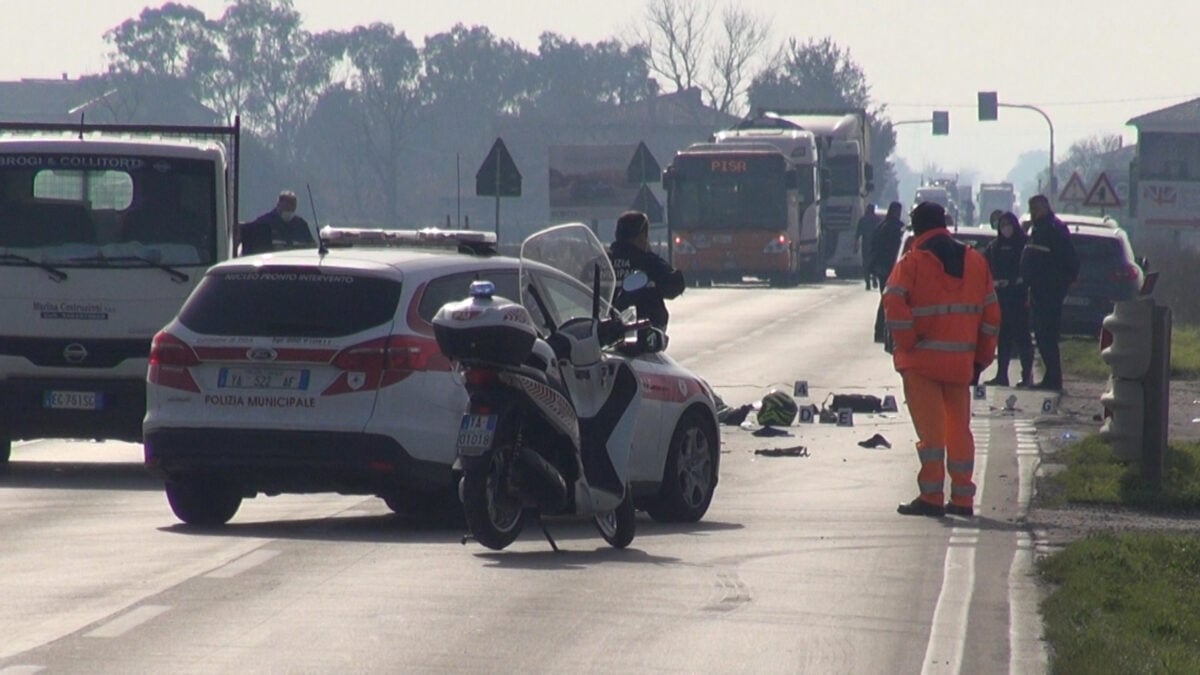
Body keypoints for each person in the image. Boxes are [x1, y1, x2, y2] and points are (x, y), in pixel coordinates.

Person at [883, 201, 1000, 518]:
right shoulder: (976, 262)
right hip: (961, 366)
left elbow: (892, 300)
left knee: (932, 435)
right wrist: (980, 360)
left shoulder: (913, 262)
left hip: (922, 365)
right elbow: (992, 316)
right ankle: (962, 498)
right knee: (958, 431)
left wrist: (907, 343)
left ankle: (932, 497)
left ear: (917, 226)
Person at [1019, 194, 1079, 391]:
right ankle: (1050, 377)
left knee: (1047, 335)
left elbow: (1069, 260)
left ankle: (1054, 379)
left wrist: (1057, 284)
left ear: (1044, 207)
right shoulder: (1039, 228)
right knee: (1042, 334)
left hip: (1049, 291)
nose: (1034, 213)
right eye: (1032, 209)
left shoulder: (1054, 229)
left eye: (1036, 208)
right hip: (1038, 289)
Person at [608, 210, 685, 330]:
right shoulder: (649, 262)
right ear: (641, 236)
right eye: (645, 235)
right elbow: (674, 286)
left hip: (604, 332)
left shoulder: (600, 262)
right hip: (646, 332)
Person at [983, 211, 1034, 387]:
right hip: (1000, 298)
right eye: (1002, 225)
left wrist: (1015, 280)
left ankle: (1027, 375)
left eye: (1008, 224)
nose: (1006, 228)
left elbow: (1029, 271)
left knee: (1022, 337)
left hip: (1019, 298)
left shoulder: (1024, 245)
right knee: (1003, 337)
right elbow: (985, 268)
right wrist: (994, 282)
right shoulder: (994, 247)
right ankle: (1001, 375)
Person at [868, 201, 905, 342]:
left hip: (883, 269)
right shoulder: (896, 229)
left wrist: (873, 268)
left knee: (886, 301)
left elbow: (873, 248)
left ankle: (880, 331)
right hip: (892, 269)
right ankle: (884, 332)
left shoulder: (881, 227)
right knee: (889, 302)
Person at [239, 190, 315, 256]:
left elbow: (311, 248)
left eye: (292, 208)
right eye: (287, 208)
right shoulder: (263, 224)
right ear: (279, 205)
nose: (289, 211)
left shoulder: (301, 226)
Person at [854, 203, 881, 290]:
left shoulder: (863, 220)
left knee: (866, 264)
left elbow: (857, 234)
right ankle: (874, 278)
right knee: (875, 263)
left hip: (866, 245)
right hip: (876, 246)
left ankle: (868, 283)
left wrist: (855, 245)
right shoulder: (878, 220)